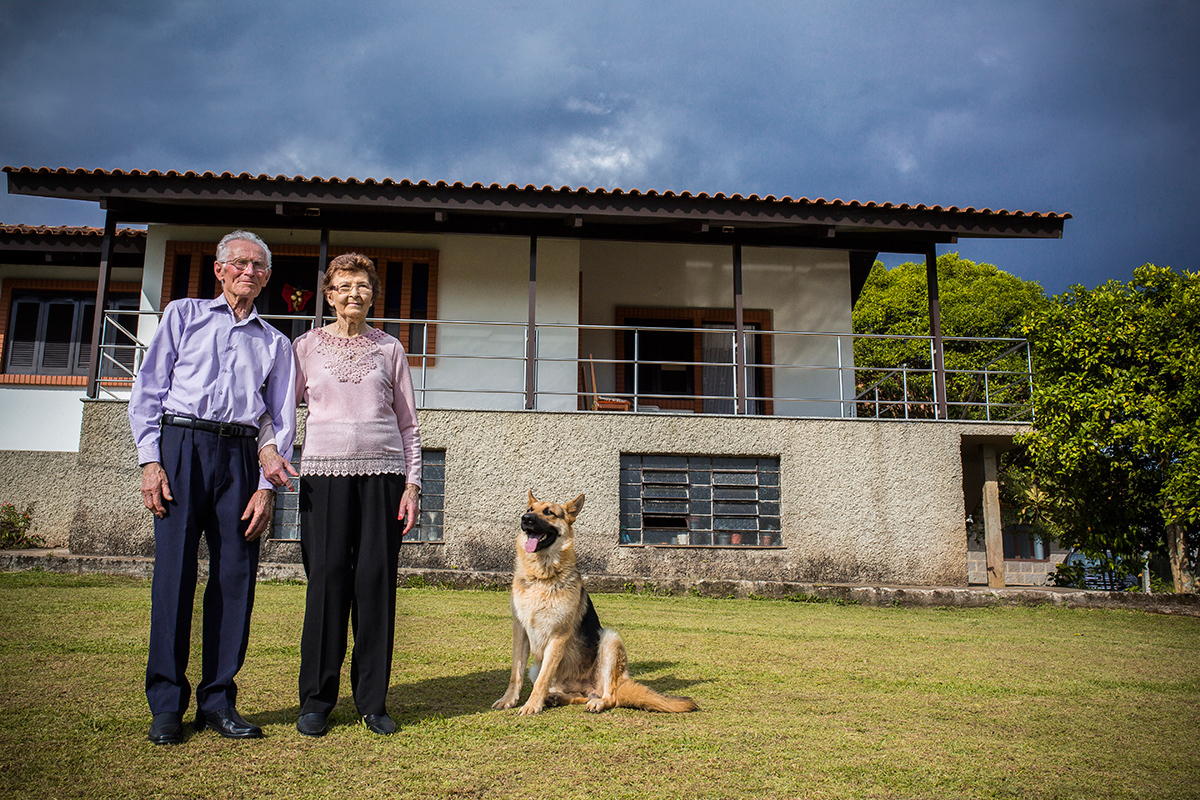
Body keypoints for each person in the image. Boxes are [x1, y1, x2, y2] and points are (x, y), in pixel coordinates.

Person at [129, 230, 297, 745]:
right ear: (220, 270)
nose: (250, 272)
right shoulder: (183, 315)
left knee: (235, 576)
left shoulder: (276, 342)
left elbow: (279, 418)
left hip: (241, 457)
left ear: (267, 278)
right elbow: (149, 390)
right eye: (240, 263)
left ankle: (219, 701)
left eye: (259, 266)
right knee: (174, 575)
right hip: (181, 446)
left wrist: (267, 485)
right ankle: (166, 704)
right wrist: (151, 461)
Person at [289, 252, 421, 737]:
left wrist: (413, 484)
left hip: (383, 478)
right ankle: (316, 701)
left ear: (373, 295)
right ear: (329, 295)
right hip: (322, 477)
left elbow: (409, 424)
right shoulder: (304, 347)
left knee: (374, 585)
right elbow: (280, 411)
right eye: (344, 286)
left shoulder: (390, 349)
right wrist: (271, 454)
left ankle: (372, 701)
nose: (353, 294)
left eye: (362, 286)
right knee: (326, 583)